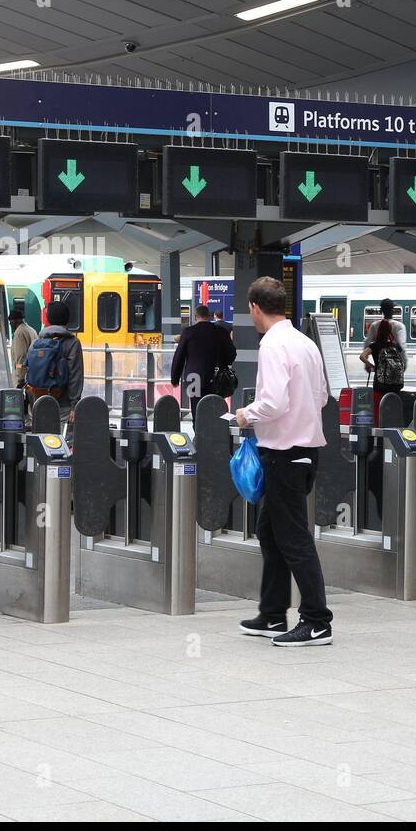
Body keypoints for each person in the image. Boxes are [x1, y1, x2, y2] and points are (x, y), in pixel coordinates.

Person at [235, 277, 333, 647]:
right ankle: (273, 614)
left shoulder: (273, 345)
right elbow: (322, 396)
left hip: (284, 455)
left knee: (294, 539)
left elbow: (272, 403)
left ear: (255, 308)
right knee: (270, 531)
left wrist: (245, 415)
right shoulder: (306, 343)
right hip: (305, 453)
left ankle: (318, 621)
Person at [171, 304, 237, 417]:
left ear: (196, 317)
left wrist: (175, 378)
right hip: (216, 377)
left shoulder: (188, 332)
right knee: (215, 408)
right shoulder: (220, 331)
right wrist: (224, 364)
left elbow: (179, 356)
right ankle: (214, 431)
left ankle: (198, 431)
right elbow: (231, 353)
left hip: (193, 378)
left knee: (196, 409)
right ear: (209, 316)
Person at [25, 301, 85, 417]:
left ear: (48, 319)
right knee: (61, 435)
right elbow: (75, 375)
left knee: (42, 434)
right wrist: (74, 405)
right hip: (63, 404)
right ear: (67, 319)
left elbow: (28, 370)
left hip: (39, 401)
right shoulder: (72, 343)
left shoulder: (36, 343)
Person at [359, 318, 407, 412]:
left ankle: (379, 425)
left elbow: (362, 356)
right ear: (390, 331)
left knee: (379, 408)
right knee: (393, 409)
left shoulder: (375, 346)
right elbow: (402, 358)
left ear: (378, 331)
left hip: (380, 384)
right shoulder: (395, 346)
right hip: (396, 385)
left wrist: (371, 365)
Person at [8, 308, 37, 388]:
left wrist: (20, 378)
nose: (10, 325)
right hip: (32, 374)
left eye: (10, 322)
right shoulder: (32, 330)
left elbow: (20, 356)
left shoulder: (19, 333)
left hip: (23, 378)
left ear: (14, 321)